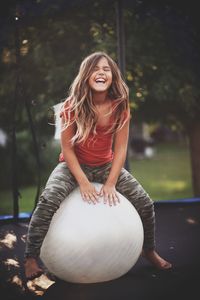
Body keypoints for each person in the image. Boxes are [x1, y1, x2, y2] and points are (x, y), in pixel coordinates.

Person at [24, 51, 172, 280]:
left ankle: (149, 250)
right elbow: (67, 149)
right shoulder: (71, 107)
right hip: (72, 165)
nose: (101, 73)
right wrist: (83, 182)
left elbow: (121, 148)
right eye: (95, 69)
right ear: (86, 76)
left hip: (105, 165)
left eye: (106, 69)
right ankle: (31, 257)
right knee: (48, 199)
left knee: (145, 202)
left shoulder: (120, 106)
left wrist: (111, 182)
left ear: (113, 76)